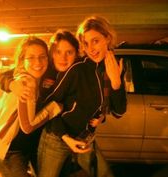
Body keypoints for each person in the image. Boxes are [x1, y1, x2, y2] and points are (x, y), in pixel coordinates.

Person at [37, 16, 127, 177]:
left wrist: (116, 83)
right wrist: (65, 137)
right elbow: (49, 105)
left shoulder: (117, 66)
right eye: (86, 43)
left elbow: (119, 111)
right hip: (57, 138)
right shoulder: (78, 69)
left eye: (95, 41)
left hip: (85, 137)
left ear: (107, 38)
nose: (91, 48)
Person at [0, 29, 81, 177]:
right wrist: (11, 84)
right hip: (12, 150)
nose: (63, 58)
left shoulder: (68, 73)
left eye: (69, 52)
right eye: (58, 52)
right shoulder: (31, 77)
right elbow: (6, 75)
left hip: (38, 144)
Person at [0, 36, 62, 177]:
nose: (38, 62)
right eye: (31, 58)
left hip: (30, 147)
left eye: (42, 57)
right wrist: (54, 108)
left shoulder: (45, 76)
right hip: (10, 151)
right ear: (22, 60)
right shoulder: (25, 81)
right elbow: (27, 127)